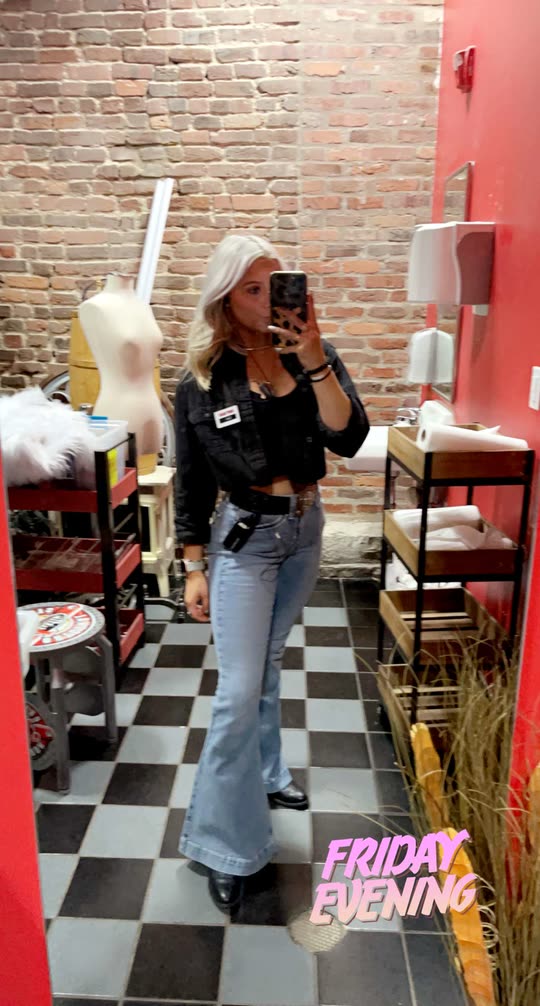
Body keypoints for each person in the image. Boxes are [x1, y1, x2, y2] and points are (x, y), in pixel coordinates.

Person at [174, 233, 369, 911]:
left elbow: (349, 437)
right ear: (226, 297)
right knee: (237, 690)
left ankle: (266, 769)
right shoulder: (202, 380)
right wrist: (193, 566)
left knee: (269, 660)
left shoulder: (312, 354)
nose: (266, 302)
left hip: (304, 531)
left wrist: (313, 360)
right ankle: (223, 843)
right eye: (251, 290)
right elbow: (192, 481)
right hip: (246, 540)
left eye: (275, 287)